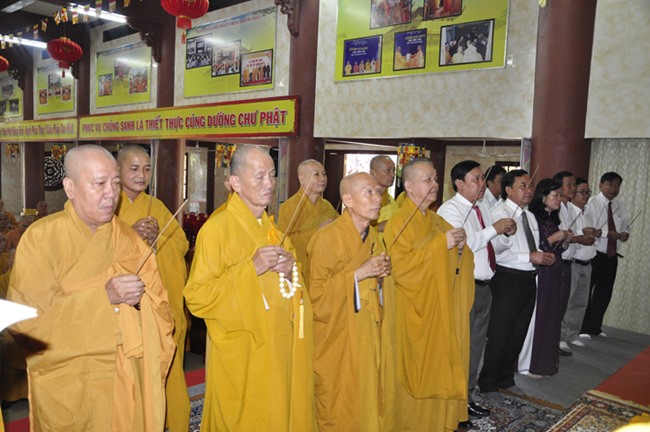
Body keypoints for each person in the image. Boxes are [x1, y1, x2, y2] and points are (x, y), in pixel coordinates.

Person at [7, 145, 175, 431]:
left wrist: (138, 301)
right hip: (67, 380)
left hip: (122, 375)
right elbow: (24, 323)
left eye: (115, 183)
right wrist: (103, 297)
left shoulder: (127, 238)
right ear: (70, 188)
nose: (111, 193)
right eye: (99, 183)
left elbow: (160, 307)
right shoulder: (42, 238)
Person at [184, 145, 314, 431]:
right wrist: (249, 269)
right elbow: (197, 297)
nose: (269, 184)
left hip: (278, 345)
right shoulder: (216, 229)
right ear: (235, 182)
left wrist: (290, 273)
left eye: (272, 175)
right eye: (259, 176)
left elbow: (294, 290)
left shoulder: (275, 232)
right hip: (242, 349)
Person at [383, 157, 474, 432]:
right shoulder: (398, 222)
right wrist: (440, 246)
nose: (434, 184)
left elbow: (457, 261)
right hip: (413, 311)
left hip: (439, 307)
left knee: (439, 365)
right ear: (409, 186)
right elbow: (400, 269)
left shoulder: (437, 220)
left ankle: (436, 423)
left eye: (435, 179)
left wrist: (459, 249)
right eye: (428, 180)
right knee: (414, 369)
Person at [307, 172, 391, 431]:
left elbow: (376, 286)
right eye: (368, 193)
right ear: (348, 200)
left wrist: (380, 276)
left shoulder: (373, 236)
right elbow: (315, 296)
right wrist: (358, 274)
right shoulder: (327, 238)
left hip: (367, 331)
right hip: (338, 335)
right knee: (338, 398)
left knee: (366, 391)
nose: (377, 199)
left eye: (378, 192)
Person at [115, 145, 190, 432]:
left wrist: (159, 241)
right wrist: (131, 235)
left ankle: (171, 420)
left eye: (147, 169)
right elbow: (99, 252)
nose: (141, 175)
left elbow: (180, 244)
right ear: (118, 170)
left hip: (157, 303)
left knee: (165, 365)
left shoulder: (156, 206)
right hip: (125, 308)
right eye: (134, 169)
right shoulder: (109, 205)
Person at [437, 160, 516, 420]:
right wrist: (494, 229)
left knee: (476, 346)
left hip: (485, 286)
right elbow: (464, 245)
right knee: (461, 346)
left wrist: (504, 234)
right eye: (476, 179)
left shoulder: (481, 207)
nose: (482, 184)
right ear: (459, 183)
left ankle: (467, 395)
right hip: (463, 287)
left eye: (483, 178)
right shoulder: (450, 210)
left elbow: (492, 247)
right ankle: (455, 400)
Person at [478, 169, 556, 401]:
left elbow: (532, 246)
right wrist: (528, 257)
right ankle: (487, 382)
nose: (529, 190)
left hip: (528, 278)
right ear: (508, 189)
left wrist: (541, 256)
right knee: (500, 333)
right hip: (506, 279)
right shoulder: (498, 213)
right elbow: (495, 253)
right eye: (523, 186)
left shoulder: (529, 216)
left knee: (518, 332)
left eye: (530, 186)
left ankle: (505, 377)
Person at [518, 179, 572, 377]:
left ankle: (543, 363)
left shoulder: (552, 219)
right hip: (541, 272)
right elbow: (536, 246)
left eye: (560, 195)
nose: (559, 199)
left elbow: (556, 249)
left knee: (551, 316)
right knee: (537, 317)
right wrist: (554, 238)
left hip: (554, 272)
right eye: (555, 195)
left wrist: (564, 241)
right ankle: (527, 363)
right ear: (543, 197)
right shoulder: (534, 218)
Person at [580, 172, 629, 338]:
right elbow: (589, 228)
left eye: (617, 185)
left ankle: (595, 326)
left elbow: (625, 226)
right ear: (601, 185)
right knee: (587, 291)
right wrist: (609, 234)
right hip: (596, 253)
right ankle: (583, 327)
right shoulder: (592, 203)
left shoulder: (620, 205)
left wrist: (624, 234)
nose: (613, 189)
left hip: (612, 255)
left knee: (604, 292)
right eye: (610, 184)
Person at [277, 159, 338, 277]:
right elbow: (284, 241)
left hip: (325, 268)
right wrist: (317, 231)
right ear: (302, 179)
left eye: (324, 174)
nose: (322, 179)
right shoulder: (289, 207)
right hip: (301, 269)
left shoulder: (327, 206)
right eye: (316, 174)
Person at [561, 178, 598, 349]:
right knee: (567, 301)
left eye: (588, 192)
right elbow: (566, 236)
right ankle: (561, 336)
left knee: (581, 301)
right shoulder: (567, 211)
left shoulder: (589, 212)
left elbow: (592, 239)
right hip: (573, 262)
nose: (586, 195)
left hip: (588, 262)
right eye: (582, 192)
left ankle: (572, 334)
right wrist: (580, 235)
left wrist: (594, 235)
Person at [553, 171, 578, 356]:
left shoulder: (569, 208)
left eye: (574, 184)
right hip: (558, 261)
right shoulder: (556, 209)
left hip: (568, 261)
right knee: (556, 304)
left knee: (563, 304)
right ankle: (554, 341)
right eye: (569, 185)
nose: (573, 188)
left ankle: (556, 340)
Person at [369, 155, 398, 232]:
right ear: (373, 173)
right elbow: (353, 231)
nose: (393, 175)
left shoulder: (391, 200)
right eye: (387, 170)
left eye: (394, 170)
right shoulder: (363, 199)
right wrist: (380, 227)